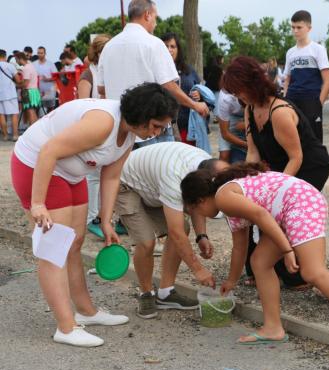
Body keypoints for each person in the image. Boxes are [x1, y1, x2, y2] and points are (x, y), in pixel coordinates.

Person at [10, 83, 178, 347]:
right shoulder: (102, 123)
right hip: (37, 166)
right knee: (54, 249)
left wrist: (106, 219)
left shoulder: (131, 135)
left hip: (71, 172)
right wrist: (38, 203)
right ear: (141, 116)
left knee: (75, 243)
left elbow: (111, 177)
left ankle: (86, 312)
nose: (158, 132)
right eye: (156, 125)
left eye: (162, 127)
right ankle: (65, 327)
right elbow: (49, 151)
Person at [180, 164, 329, 364]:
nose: (201, 216)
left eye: (195, 210)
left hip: (301, 202)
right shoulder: (227, 202)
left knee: (312, 271)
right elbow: (239, 248)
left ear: (200, 201)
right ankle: (272, 327)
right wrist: (232, 281)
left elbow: (261, 215)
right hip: (287, 209)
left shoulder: (223, 197)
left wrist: (287, 250)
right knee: (260, 262)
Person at [223, 55, 329, 289]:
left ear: (252, 83)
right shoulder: (250, 109)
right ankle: (260, 269)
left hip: (310, 166)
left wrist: (276, 191)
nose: (238, 97)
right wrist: (247, 182)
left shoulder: (280, 111)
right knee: (256, 211)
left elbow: (297, 156)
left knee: (283, 216)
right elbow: (252, 152)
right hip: (279, 169)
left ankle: (298, 274)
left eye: (239, 90)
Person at [115, 142, 227, 318]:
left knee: (183, 226)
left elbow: (196, 203)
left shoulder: (206, 166)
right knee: (146, 242)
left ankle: (165, 293)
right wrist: (198, 269)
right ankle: (146, 294)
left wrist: (202, 236)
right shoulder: (174, 177)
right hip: (126, 184)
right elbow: (175, 232)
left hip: (152, 187)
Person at [97, 0, 209, 148]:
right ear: (148, 15)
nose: (155, 23)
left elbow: (101, 90)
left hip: (120, 131)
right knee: (160, 170)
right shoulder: (154, 44)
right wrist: (195, 105)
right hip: (152, 130)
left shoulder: (108, 47)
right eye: (155, 17)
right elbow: (169, 85)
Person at [77, 34, 112, 239]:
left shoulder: (109, 71)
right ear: (97, 52)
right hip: (93, 129)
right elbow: (82, 105)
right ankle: (91, 218)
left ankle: (101, 216)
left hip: (108, 129)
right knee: (92, 176)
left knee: (104, 175)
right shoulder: (88, 75)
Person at [283, 10, 329, 144]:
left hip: (311, 100)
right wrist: (286, 99)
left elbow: (327, 80)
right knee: (293, 139)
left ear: (309, 28)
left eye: (299, 27)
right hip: (292, 100)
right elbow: (287, 78)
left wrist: (318, 104)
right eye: (293, 27)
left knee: (313, 140)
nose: (295, 31)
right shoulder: (290, 52)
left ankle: (316, 165)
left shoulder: (318, 49)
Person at [161, 32, 201, 145]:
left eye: (172, 46)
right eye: (165, 46)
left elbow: (199, 88)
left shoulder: (189, 70)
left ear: (178, 49)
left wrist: (199, 93)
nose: (169, 50)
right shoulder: (157, 70)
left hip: (189, 126)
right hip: (164, 127)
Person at [217, 89, 247, 163]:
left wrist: (247, 124)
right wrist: (248, 145)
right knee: (224, 155)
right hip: (231, 116)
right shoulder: (225, 98)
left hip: (250, 117)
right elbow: (225, 134)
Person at [15, 51, 41, 126]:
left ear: (20, 59)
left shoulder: (26, 68)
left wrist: (16, 86)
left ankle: (33, 131)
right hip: (35, 91)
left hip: (29, 92)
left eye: (16, 60)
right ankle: (36, 129)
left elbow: (26, 84)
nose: (16, 62)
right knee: (33, 112)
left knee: (30, 112)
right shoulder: (31, 66)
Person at [0, 49, 20, 141]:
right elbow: (18, 79)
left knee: (2, 114)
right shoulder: (10, 66)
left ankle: (5, 136)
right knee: (14, 114)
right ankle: (15, 135)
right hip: (10, 93)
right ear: (5, 56)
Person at [33, 46, 58, 112]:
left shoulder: (50, 64)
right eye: (38, 53)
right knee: (37, 109)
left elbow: (56, 77)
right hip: (37, 91)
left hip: (49, 91)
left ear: (45, 53)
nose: (40, 54)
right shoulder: (34, 64)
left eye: (41, 53)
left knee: (50, 109)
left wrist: (47, 79)